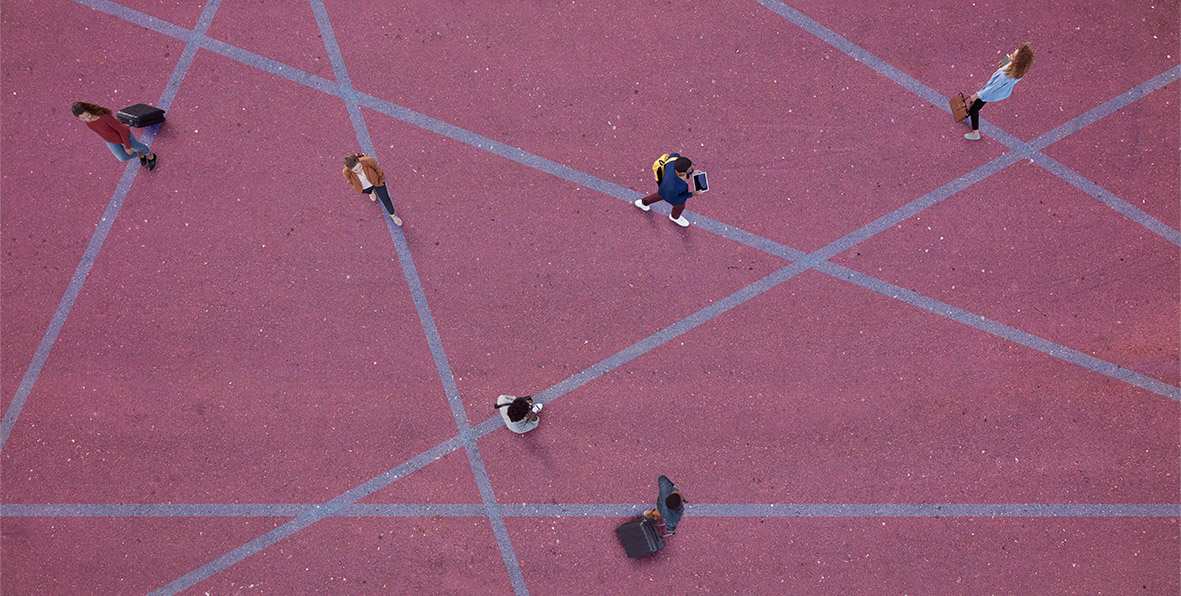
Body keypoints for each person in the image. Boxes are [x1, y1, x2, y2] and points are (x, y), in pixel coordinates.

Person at [964, 43, 1034, 141]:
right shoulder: (1020, 71)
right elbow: (1000, 65)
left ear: (1017, 60)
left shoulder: (1005, 75)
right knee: (975, 105)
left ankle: (975, 133)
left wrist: (977, 95)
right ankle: (968, 114)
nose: (1012, 54)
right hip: (1000, 91)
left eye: (1014, 55)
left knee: (975, 108)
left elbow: (992, 88)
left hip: (991, 93)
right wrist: (1007, 60)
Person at [72, 101, 157, 170]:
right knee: (123, 158)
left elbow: (122, 130)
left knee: (137, 147)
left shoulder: (104, 117)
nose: (87, 119)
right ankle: (141, 154)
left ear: (89, 110)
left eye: (88, 115)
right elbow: (101, 132)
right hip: (111, 140)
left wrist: (127, 146)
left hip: (124, 136)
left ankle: (151, 156)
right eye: (83, 118)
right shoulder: (88, 122)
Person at [633, 153, 697, 228]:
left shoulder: (672, 162)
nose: (693, 168)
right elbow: (681, 197)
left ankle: (643, 203)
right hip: (672, 194)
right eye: (690, 170)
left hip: (663, 185)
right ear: (681, 174)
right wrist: (693, 193)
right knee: (680, 206)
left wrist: (691, 173)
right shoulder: (681, 185)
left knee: (660, 195)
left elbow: (674, 154)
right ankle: (674, 217)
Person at [343, 152, 403, 226]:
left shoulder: (368, 161)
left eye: (360, 167)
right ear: (350, 170)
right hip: (365, 187)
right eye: (355, 170)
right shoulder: (346, 172)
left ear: (359, 161)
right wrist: (357, 186)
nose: (359, 170)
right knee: (368, 191)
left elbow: (378, 169)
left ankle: (393, 215)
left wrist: (381, 179)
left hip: (377, 182)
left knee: (386, 199)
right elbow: (350, 180)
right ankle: (371, 192)